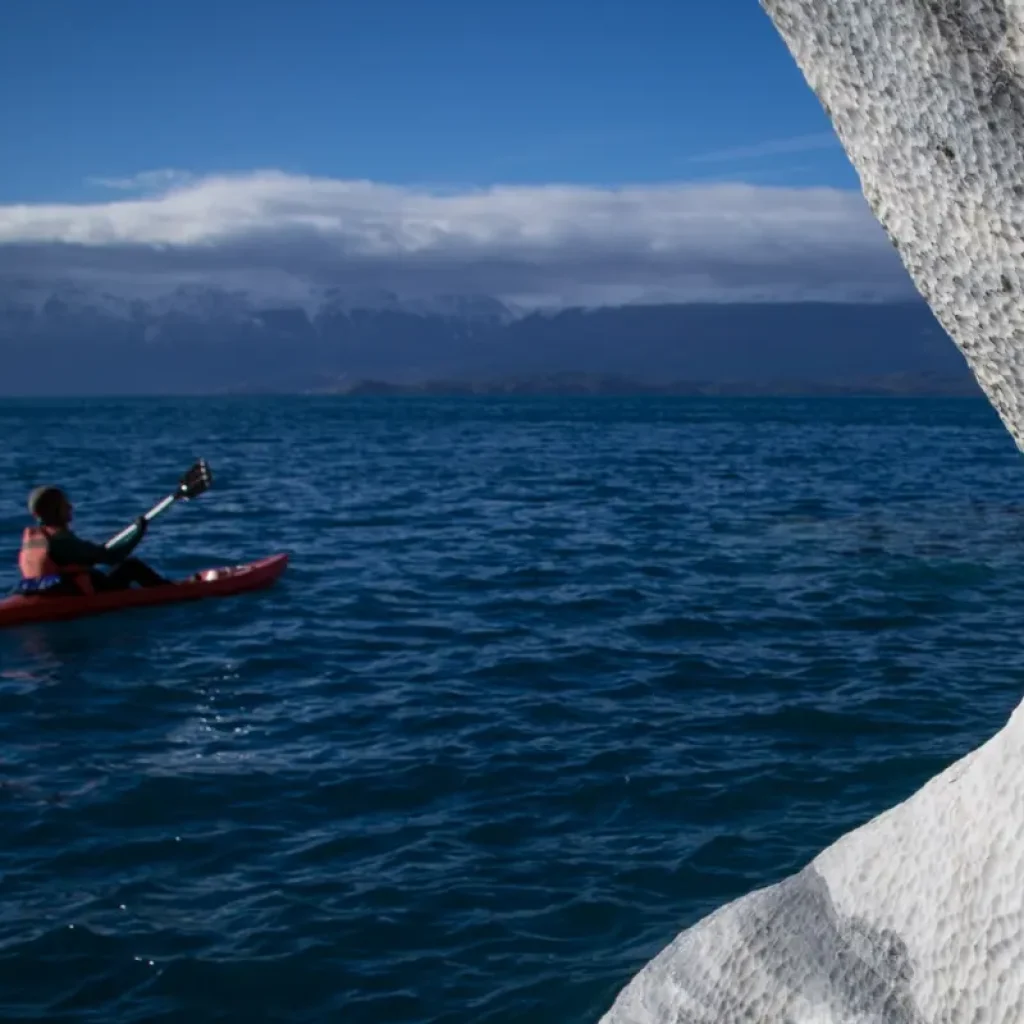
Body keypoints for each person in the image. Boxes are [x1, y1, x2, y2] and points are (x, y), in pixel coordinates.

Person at [18, 485, 170, 594]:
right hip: (74, 594)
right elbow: (112, 557)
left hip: (42, 591)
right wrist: (139, 532)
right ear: (55, 510)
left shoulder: (37, 538)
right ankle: (170, 592)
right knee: (132, 566)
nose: (70, 507)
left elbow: (96, 554)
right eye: (65, 505)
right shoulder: (61, 541)